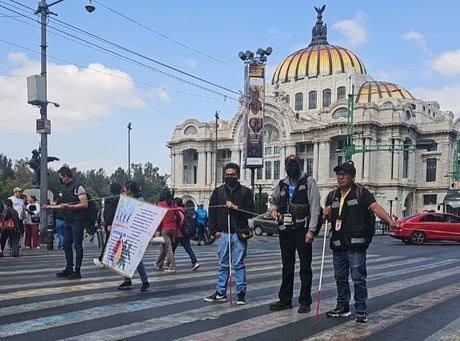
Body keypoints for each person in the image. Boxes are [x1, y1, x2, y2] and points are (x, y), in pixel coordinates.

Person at [323, 160, 399, 323]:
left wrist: (390, 221)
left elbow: (375, 208)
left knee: (358, 277)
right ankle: (342, 307)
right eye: (338, 174)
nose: (340, 177)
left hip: (356, 243)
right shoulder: (332, 195)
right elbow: (327, 218)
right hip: (338, 243)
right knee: (340, 277)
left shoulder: (361, 193)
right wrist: (325, 213)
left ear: (352, 177)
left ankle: (361, 309)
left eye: (344, 174)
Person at [268, 154, 321, 314]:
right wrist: (273, 210)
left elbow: (314, 207)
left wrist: (311, 230)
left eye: (295, 165)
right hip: (286, 230)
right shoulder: (282, 184)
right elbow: (274, 201)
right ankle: (285, 300)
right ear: (285, 168)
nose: (292, 168)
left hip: (302, 230)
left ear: (300, 166)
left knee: (305, 267)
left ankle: (304, 301)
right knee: (287, 267)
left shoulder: (309, 182)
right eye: (289, 165)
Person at [204, 162, 255, 305]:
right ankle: (221, 292)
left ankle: (240, 293)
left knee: (238, 264)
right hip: (223, 234)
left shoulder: (245, 192)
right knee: (223, 265)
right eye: (227, 175)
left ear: (237, 175)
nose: (229, 177)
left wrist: (235, 207)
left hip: (239, 233)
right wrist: (214, 231)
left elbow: (250, 212)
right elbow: (212, 211)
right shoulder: (218, 192)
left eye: (232, 175)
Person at [43, 166, 88, 280]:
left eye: (61, 177)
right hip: (67, 220)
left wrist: (70, 206)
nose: (60, 179)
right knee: (66, 244)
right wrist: (50, 207)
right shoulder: (64, 188)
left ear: (66, 176)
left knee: (77, 245)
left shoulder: (79, 187)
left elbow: (84, 204)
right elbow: (63, 205)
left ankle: (77, 271)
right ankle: (69, 267)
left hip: (77, 220)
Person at [116, 180, 150, 292]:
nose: (123, 190)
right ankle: (127, 280)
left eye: (125, 188)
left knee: (136, 258)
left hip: (136, 233)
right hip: (126, 232)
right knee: (124, 256)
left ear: (129, 190)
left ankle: (145, 282)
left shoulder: (140, 201)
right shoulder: (127, 199)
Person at [93, 182, 121, 268]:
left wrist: (108, 224)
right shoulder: (122, 199)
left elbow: (108, 213)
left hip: (111, 224)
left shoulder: (109, 200)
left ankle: (102, 260)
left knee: (109, 242)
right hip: (121, 223)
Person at [172, 197, 200, 271]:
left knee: (171, 249)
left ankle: (171, 264)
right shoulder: (184, 211)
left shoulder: (177, 212)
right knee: (188, 248)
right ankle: (195, 261)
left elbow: (177, 223)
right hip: (185, 234)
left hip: (179, 234)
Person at [154, 188, 178, 273]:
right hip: (173, 229)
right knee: (165, 247)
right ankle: (158, 263)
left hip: (165, 228)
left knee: (168, 248)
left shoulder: (160, 204)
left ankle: (171, 266)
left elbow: (157, 218)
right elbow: (177, 216)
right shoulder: (173, 204)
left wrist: (157, 230)